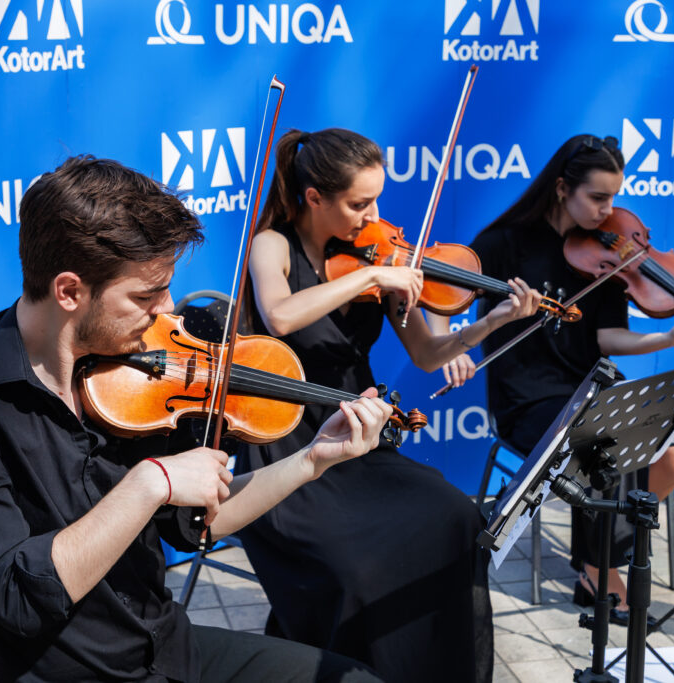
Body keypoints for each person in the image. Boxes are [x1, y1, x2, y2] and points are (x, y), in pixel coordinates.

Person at [0, 155, 399, 683]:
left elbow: (196, 526)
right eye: (145, 295)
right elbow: (17, 598)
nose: (166, 310)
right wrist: (149, 482)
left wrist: (312, 460)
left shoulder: (139, 368)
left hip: (166, 649)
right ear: (69, 291)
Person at [238, 128, 542, 683]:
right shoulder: (273, 245)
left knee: (457, 517)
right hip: (286, 444)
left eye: (376, 200)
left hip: (356, 435)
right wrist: (375, 274)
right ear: (314, 198)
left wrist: (492, 321)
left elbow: (427, 353)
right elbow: (279, 315)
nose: (374, 216)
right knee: (357, 566)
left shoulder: (374, 257)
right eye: (359, 204)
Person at [430, 134, 674, 622]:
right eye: (598, 197)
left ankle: (601, 549)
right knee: (601, 445)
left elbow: (608, 337)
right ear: (562, 188)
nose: (608, 211)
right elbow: (440, 289)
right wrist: (446, 345)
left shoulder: (606, 251)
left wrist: (672, 337)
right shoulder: (506, 242)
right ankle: (600, 568)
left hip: (591, 387)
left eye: (613, 197)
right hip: (527, 399)